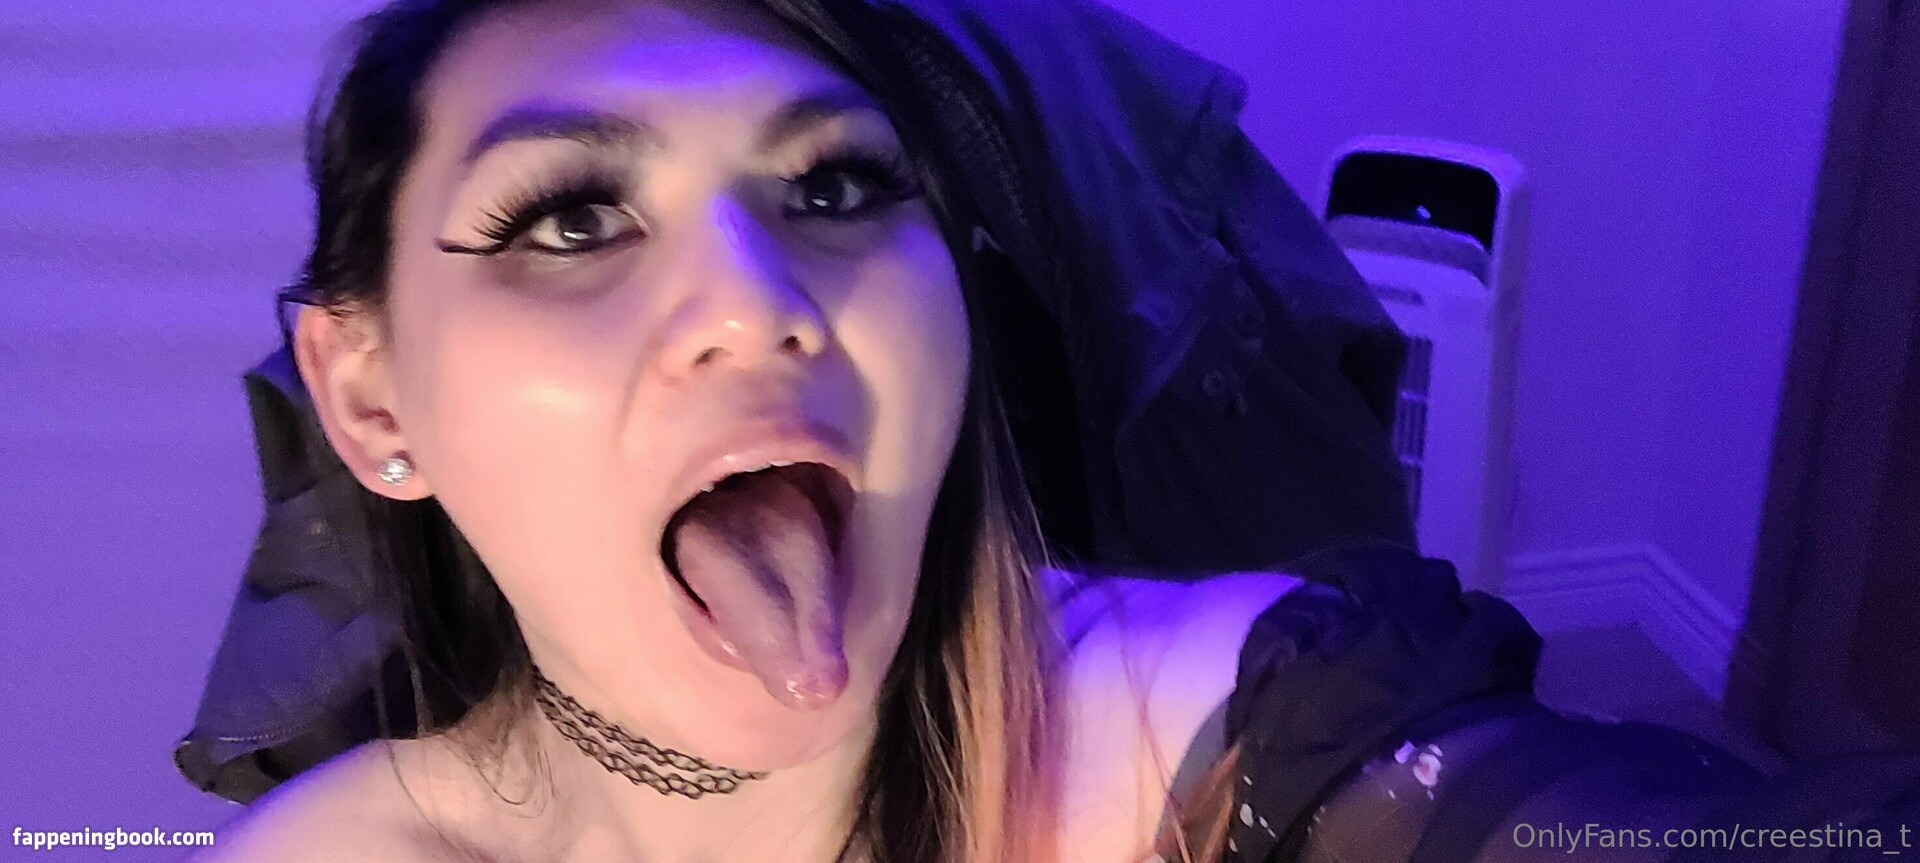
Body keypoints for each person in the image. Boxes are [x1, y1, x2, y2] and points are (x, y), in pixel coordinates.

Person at [179, 0, 1920, 861]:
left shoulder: (1208, 714)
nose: (761, 302)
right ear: (371, 396)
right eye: (569, 217)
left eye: (838, 185)